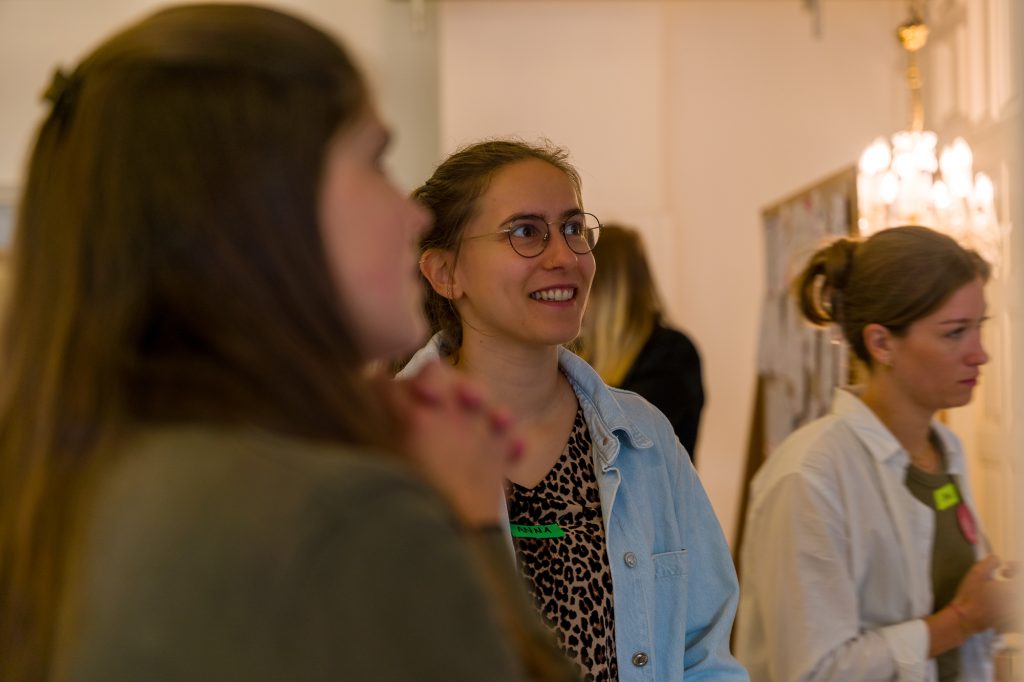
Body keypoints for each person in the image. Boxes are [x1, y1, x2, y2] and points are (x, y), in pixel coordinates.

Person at [0, 6, 577, 680]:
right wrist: (471, 514)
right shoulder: (338, 515)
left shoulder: (82, 476)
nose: (412, 213)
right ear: (267, 204)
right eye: (376, 162)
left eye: (572, 229)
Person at [401, 139, 747, 681]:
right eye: (525, 232)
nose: (564, 256)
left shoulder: (644, 440)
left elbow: (705, 655)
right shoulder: (380, 449)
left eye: (572, 228)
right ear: (446, 273)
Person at [734, 225, 1019, 681]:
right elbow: (814, 672)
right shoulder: (809, 476)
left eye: (978, 327)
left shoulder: (946, 449)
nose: (980, 354)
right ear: (882, 343)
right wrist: (962, 620)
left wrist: (997, 606)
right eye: (955, 333)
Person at [578, 224, 704, 459]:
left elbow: (624, 444)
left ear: (606, 289)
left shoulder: (671, 354)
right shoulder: (585, 354)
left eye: (579, 283)